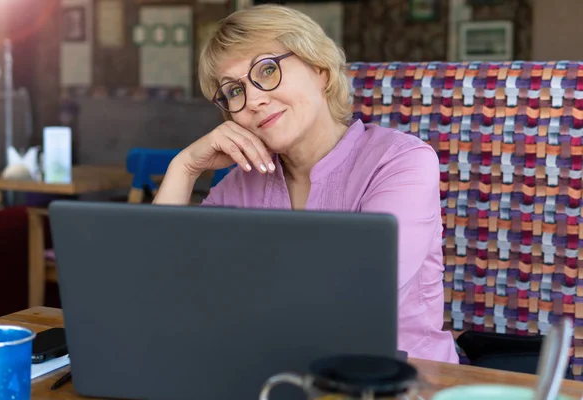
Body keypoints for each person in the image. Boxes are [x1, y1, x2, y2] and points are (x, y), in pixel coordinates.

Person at [154, 4, 458, 364]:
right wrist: (185, 167)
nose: (252, 100)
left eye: (267, 70)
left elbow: (357, 296)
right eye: (233, 91)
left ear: (320, 71)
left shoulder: (401, 162)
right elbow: (161, 288)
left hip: (398, 378)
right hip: (268, 371)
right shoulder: (242, 183)